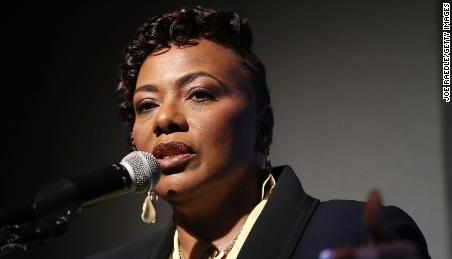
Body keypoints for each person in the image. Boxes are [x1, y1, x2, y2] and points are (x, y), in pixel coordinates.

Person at [89, 5, 430, 259]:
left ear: (262, 125)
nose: (164, 119)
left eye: (200, 93)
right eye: (146, 105)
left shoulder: (349, 236)